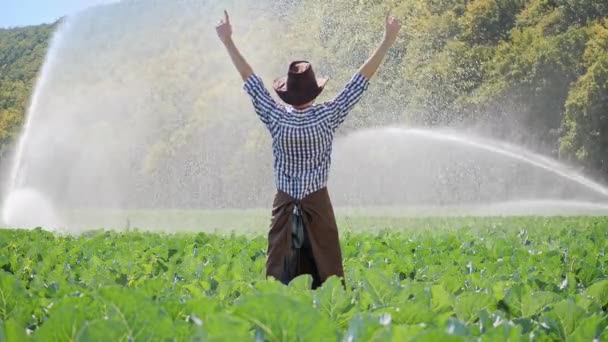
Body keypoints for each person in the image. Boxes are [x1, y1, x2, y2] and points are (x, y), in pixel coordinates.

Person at [216, 10, 401, 289]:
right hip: (318, 204)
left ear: (288, 92)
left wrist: (228, 42)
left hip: (284, 203)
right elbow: (360, 81)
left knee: (279, 278)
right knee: (326, 276)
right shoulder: (328, 115)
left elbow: (250, 80)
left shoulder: (276, 117)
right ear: (315, 91)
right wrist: (387, 41)